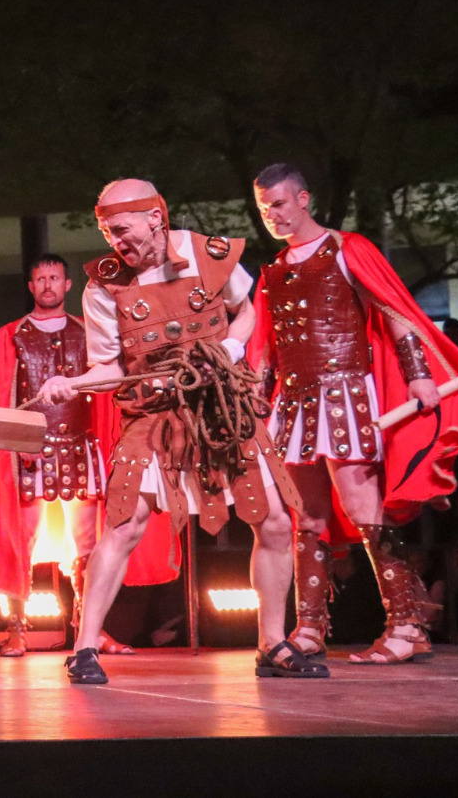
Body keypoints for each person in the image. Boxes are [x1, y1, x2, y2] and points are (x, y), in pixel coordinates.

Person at [32, 179, 320, 684]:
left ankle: (272, 642)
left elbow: (246, 312)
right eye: (107, 232)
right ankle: (84, 649)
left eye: (123, 229)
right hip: (153, 414)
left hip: (223, 409)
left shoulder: (210, 255)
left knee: (274, 522)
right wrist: (71, 384)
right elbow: (109, 367)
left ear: (155, 218)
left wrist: (228, 351)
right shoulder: (103, 286)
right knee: (124, 526)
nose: (116, 241)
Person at [248, 163, 458, 664]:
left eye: (278, 204)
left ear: (303, 199)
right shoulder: (273, 270)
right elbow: (266, 344)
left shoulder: (348, 249)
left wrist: (419, 374)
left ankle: (407, 624)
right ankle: (309, 628)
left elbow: (394, 312)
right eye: (264, 207)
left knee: (363, 509)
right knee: (307, 515)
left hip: (345, 396)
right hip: (293, 403)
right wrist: (256, 392)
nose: (272, 215)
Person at [0, 254, 174, 656]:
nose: (48, 285)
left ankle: (90, 629)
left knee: (87, 545)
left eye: (54, 277)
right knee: (19, 541)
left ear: (67, 284)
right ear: (31, 286)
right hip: (30, 453)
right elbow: (0, 397)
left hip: (80, 449)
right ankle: (15, 629)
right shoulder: (10, 336)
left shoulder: (89, 332)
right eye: (41, 279)